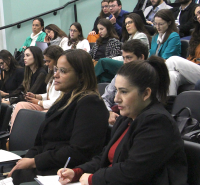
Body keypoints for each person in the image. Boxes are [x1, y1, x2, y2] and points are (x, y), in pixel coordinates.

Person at [57, 56, 188, 185]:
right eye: (116, 91)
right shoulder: (125, 118)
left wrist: (93, 179)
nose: (116, 99)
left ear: (146, 94)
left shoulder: (158, 122)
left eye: (124, 92)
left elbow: (133, 171)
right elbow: (104, 157)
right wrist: (78, 172)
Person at [10, 49, 109, 185]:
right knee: (15, 173)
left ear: (81, 76)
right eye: (56, 69)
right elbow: (42, 142)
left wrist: (34, 162)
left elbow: (78, 152)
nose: (55, 75)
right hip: (50, 163)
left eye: (63, 71)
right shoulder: (65, 99)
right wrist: (28, 159)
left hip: (65, 171)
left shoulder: (90, 103)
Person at [166, 3, 200, 96]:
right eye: (196, 16)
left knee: (173, 60)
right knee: (172, 75)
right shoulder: (199, 34)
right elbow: (191, 56)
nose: (198, 17)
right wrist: (193, 62)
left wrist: (194, 62)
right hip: (196, 68)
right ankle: (169, 106)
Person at [10, 45, 63, 131]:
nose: (46, 64)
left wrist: (38, 102)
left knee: (27, 112)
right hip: (46, 104)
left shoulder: (45, 73)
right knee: (20, 105)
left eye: (48, 61)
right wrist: (37, 96)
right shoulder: (50, 73)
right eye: (45, 61)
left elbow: (57, 101)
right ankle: (12, 134)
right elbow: (50, 94)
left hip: (52, 107)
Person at [101, 39, 149, 125]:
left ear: (141, 57)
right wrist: (109, 112)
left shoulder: (150, 78)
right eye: (124, 58)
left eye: (129, 58)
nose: (125, 62)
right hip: (116, 117)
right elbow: (105, 98)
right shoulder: (119, 76)